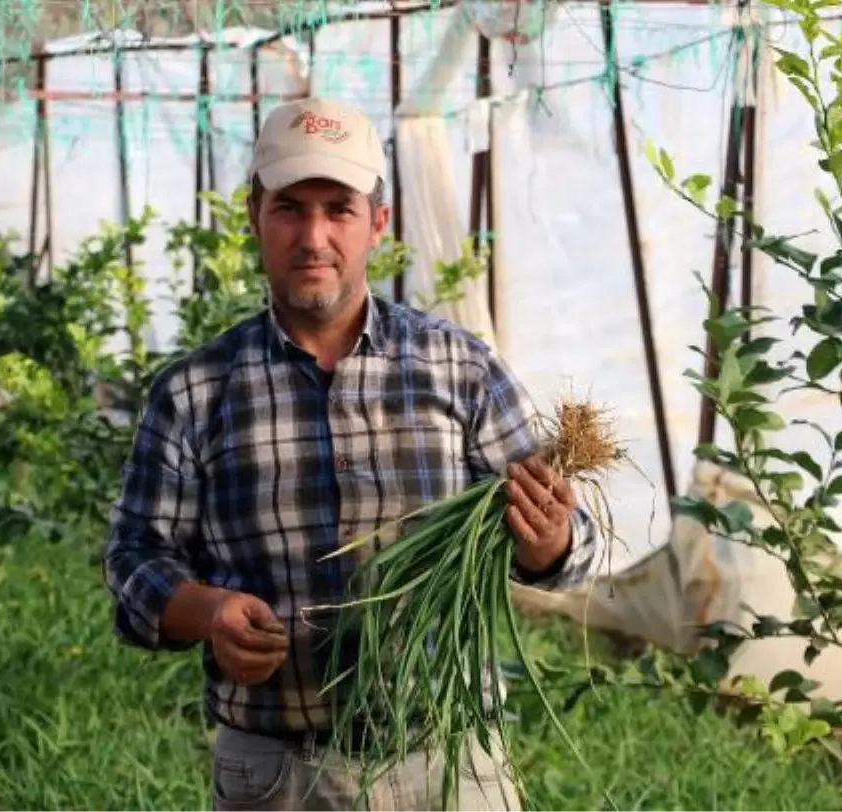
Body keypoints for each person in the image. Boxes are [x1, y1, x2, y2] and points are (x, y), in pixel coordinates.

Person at [102, 96, 600, 811]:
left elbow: (568, 551)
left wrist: (549, 540)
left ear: (378, 223)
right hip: (279, 775)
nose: (313, 236)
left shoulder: (457, 368)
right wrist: (206, 611)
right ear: (253, 216)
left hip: (450, 765)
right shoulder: (195, 391)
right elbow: (134, 561)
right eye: (288, 208)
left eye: (338, 208)